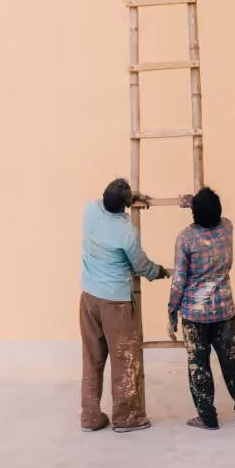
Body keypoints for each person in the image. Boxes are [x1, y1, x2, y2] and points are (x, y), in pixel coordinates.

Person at [168, 187, 235, 430]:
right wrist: (196, 204)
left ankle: (207, 417)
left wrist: (171, 312)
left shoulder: (185, 239)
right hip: (224, 311)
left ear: (194, 214)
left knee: (199, 364)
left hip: (194, 314)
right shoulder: (227, 228)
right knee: (231, 360)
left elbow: (179, 280)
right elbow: (213, 215)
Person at [80, 177, 169, 433]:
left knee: (92, 357)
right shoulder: (126, 232)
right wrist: (159, 272)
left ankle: (89, 417)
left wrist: (128, 197)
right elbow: (141, 266)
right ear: (124, 206)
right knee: (124, 358)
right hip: (114, 302)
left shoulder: (90, 210)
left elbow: (103, 203)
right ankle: (126, 417)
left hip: (88, 297)